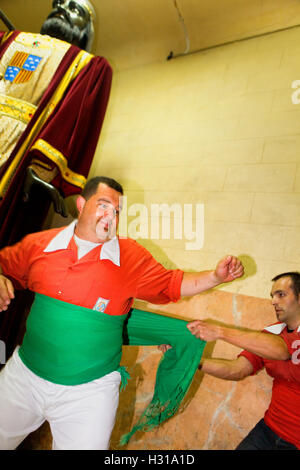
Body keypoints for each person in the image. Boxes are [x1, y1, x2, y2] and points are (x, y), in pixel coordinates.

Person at [0, 175, 244, 450]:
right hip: (24, 379)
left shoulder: (130, 257)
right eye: (103, 205)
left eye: (117, 211)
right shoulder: (40, 245)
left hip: (89, 394)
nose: (111, 215)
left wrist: (215, 276)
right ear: (81, 204)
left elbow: (173, 283)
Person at [0, 0, 112, 357]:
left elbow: (72, 126)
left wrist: (45, 170)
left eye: (76, 8)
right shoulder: (8, 41)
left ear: (87, 30)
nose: (63, 7)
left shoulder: (86, 66)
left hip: (19, 163)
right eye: (59, 3)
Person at [186, 272, 300, 450]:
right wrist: (193, 362)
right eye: (272, 296)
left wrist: (220, 332)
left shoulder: (275, 343)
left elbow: (282, 351)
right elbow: (237, 369)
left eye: (281, 294)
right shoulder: (272, 333)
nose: (273, 301)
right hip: (269, 430)